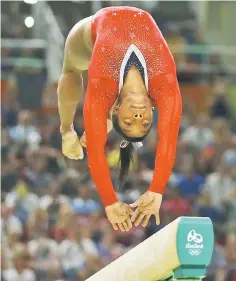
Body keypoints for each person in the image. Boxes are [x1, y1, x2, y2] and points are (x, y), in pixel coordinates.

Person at [58, 6, 182, 232]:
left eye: (129, 122)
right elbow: (168, 140)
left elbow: (95, 151)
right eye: (144, 122)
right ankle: (70, 129)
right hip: (107, 37)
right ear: (153, 110)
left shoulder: (103, 84)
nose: (137, 117)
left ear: (116, 109)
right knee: (72, 71)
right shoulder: (164, 84)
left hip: (94, 35)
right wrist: (156, 190)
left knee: (71, 68)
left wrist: (110, 201)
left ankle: (69, 130)